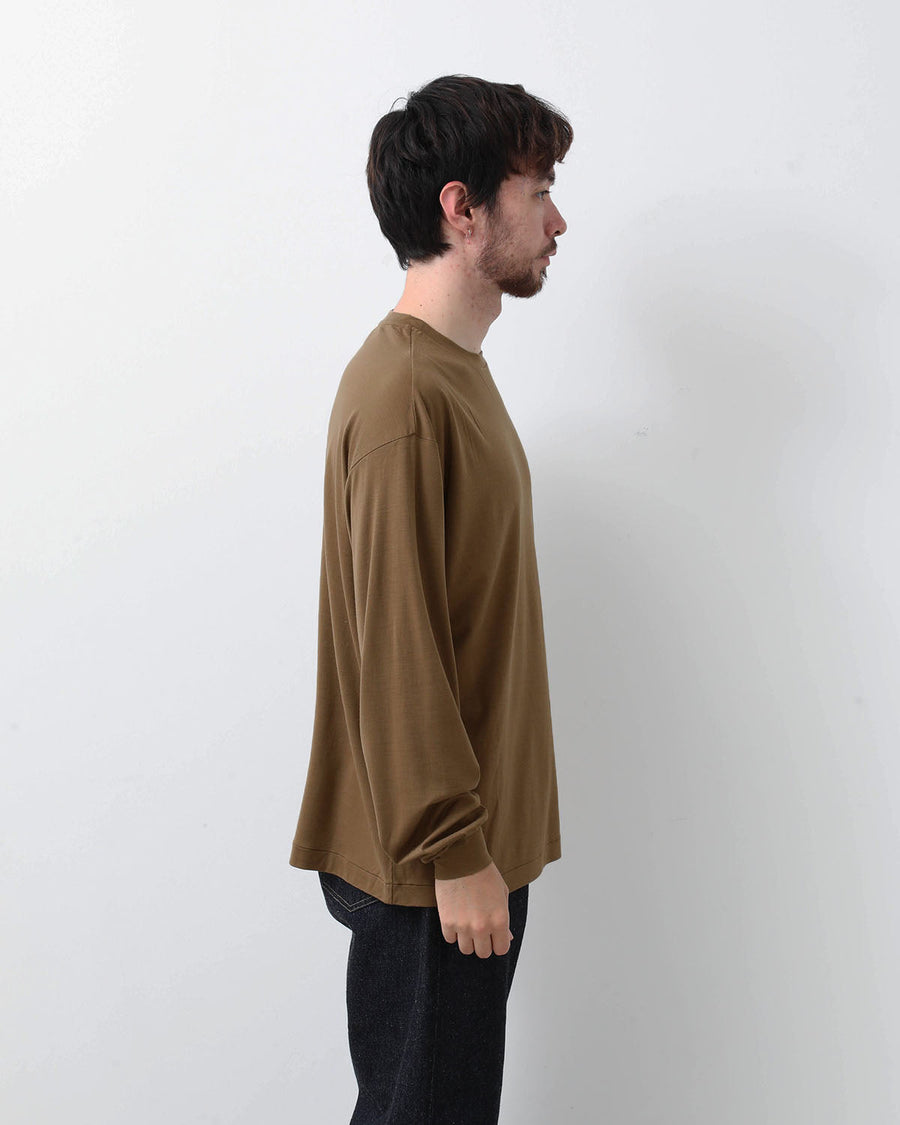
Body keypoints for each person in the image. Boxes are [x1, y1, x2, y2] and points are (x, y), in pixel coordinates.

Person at [289, 74, 573, 1124]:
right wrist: (456, 851)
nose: (556, 220)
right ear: (463, 208)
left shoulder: (451, 370)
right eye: (536, 191)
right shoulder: (406, 392)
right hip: (432, 865)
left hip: (462, 848)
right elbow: (399, 645)